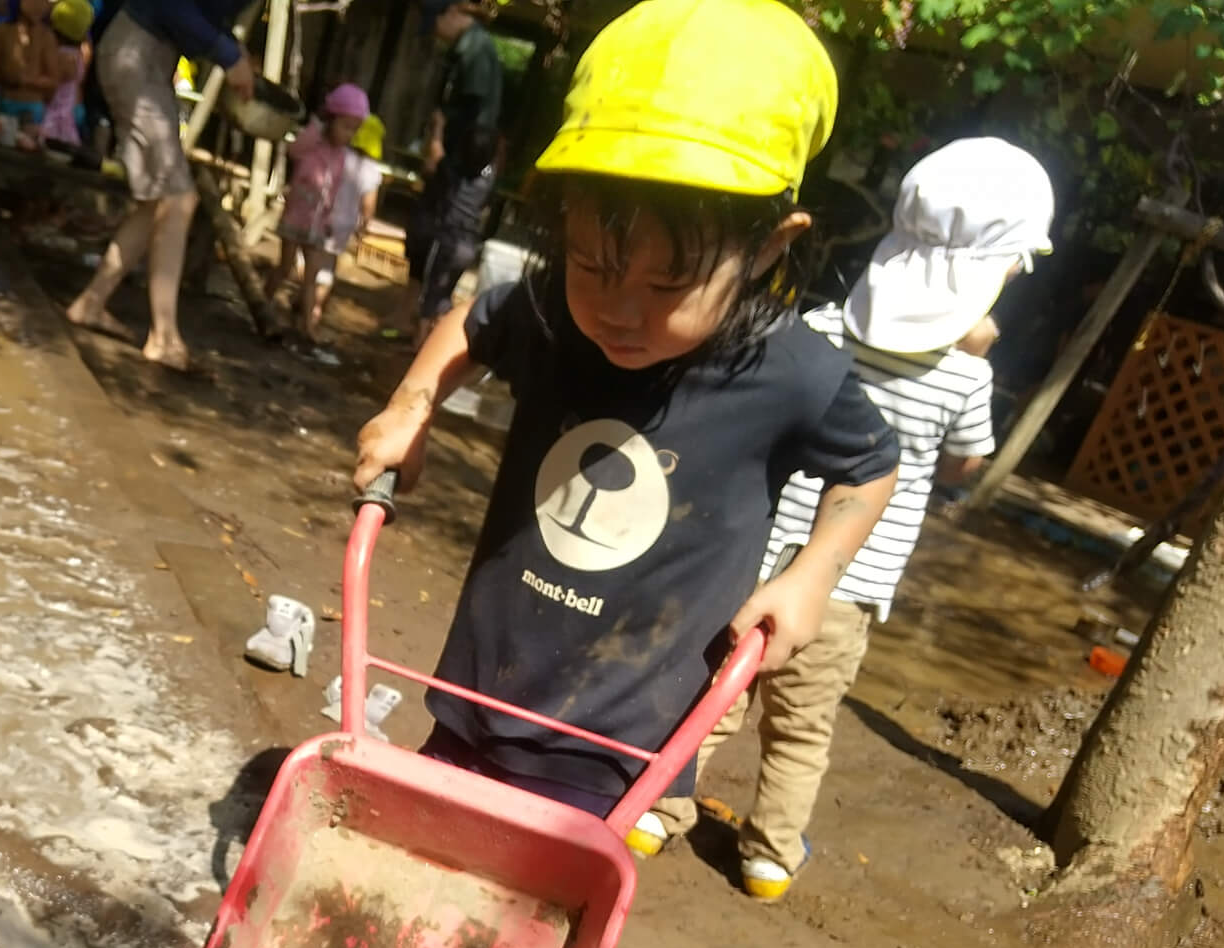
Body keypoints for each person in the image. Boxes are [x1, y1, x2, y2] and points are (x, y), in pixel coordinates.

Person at [352, 0, 901, 826]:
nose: (619, 311)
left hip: (616, 745)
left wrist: (810, 578)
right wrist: (411, 408)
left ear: (768, 247)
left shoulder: (791, 372)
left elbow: (869, 464)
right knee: (420, 855)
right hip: (474, 685)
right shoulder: (552, 312)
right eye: (593, 265)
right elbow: (474, 321)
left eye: (667, 286)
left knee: (539, 904)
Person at [634, 137, 1055, 899]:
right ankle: (769, 855)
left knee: (715, 695)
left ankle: (657, 809)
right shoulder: (967, 377)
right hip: (845, 587)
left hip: (754, 566)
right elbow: (964, 466)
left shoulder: (819, 333)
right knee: (800, 729)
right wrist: (974, 363)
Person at [62, 0, 254, 371]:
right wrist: (229, 55)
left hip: (146, 59)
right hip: (137, 57)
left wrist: (232, 49)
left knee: (156, 202)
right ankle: (164, 337)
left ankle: (91, 303)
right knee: (178, 198)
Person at [396, 0, 503, 341]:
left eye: (436, 23)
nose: (436, 34)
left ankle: (428, 331)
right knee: (426, 235)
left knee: (449, 246)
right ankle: (412, 319)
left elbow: (472, 120)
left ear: (453, 12)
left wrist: (440, 142)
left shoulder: (477, 52)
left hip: (463, 170)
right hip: (453, 166)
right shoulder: (464, 50)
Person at [264, 83, 383, 354]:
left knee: (312, 277)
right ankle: (262, 301)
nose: (349, 135)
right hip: (296, 217)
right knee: (285, 268)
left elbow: (334, 188)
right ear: (331, 120)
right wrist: (316, 127)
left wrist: (329, 218)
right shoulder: (312, 142)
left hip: (318, 224)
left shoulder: (341, 156)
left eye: (354, 129)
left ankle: (308, 326)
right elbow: (293, 151)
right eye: (345, 127)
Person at [0, 0, 65, 142]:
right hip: (6, 104)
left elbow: (53, 80)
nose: (39, 6)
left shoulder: (46, 36)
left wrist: (26, 81)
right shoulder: (2, 30)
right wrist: (7, 78)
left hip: (32, 109)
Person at [43, 0, 95, 147]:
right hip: (70, 111)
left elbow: (52, 86)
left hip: (55, 114)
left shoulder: (63, 57)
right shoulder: (78, 56)